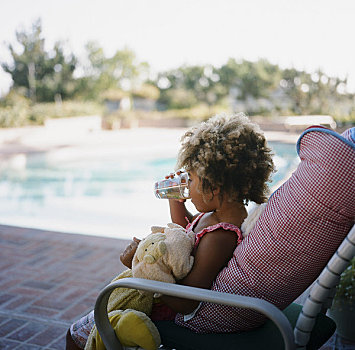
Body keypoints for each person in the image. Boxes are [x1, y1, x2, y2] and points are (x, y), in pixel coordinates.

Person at [66, 113, 275, 349]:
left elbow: (186, 302)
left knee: (74, 337)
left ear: (213, 187)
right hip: (159, 296)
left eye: (192, 180)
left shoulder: (220, 238)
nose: (187, 186)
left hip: (161, 309)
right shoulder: (217, 216)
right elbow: (188, 231)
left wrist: (140, 266)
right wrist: (176, 202)